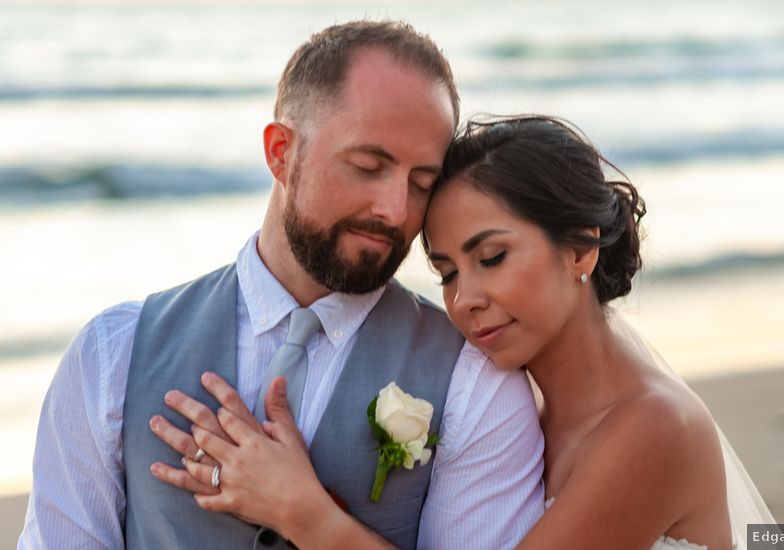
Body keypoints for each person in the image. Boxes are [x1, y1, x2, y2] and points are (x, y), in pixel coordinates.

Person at [18, 22, 545, 550]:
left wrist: (307, 516)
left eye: (421, 183)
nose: (395, 209)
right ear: (280, 153)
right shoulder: (112, 355)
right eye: (368, 166)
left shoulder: (474, 381)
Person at [154, 116, 779, 549]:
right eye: (447, 272)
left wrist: (302, 511)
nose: (464, 301)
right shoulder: (521, 403)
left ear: (581, 249)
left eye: (492, 257)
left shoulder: (652, 427)